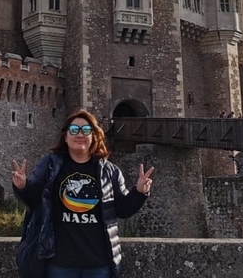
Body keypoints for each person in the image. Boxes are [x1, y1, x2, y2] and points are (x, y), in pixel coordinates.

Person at [12, 109, 154, 278]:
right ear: (65, 136)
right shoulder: (50, 166)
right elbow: (34, 201)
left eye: (86, 130)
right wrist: (22, 186)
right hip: (59, 262)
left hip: (98, 264)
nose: (80, 134)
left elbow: (122, 209)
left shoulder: (109, 171)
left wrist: (139, 192)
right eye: (74, 130)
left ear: (94, 136)